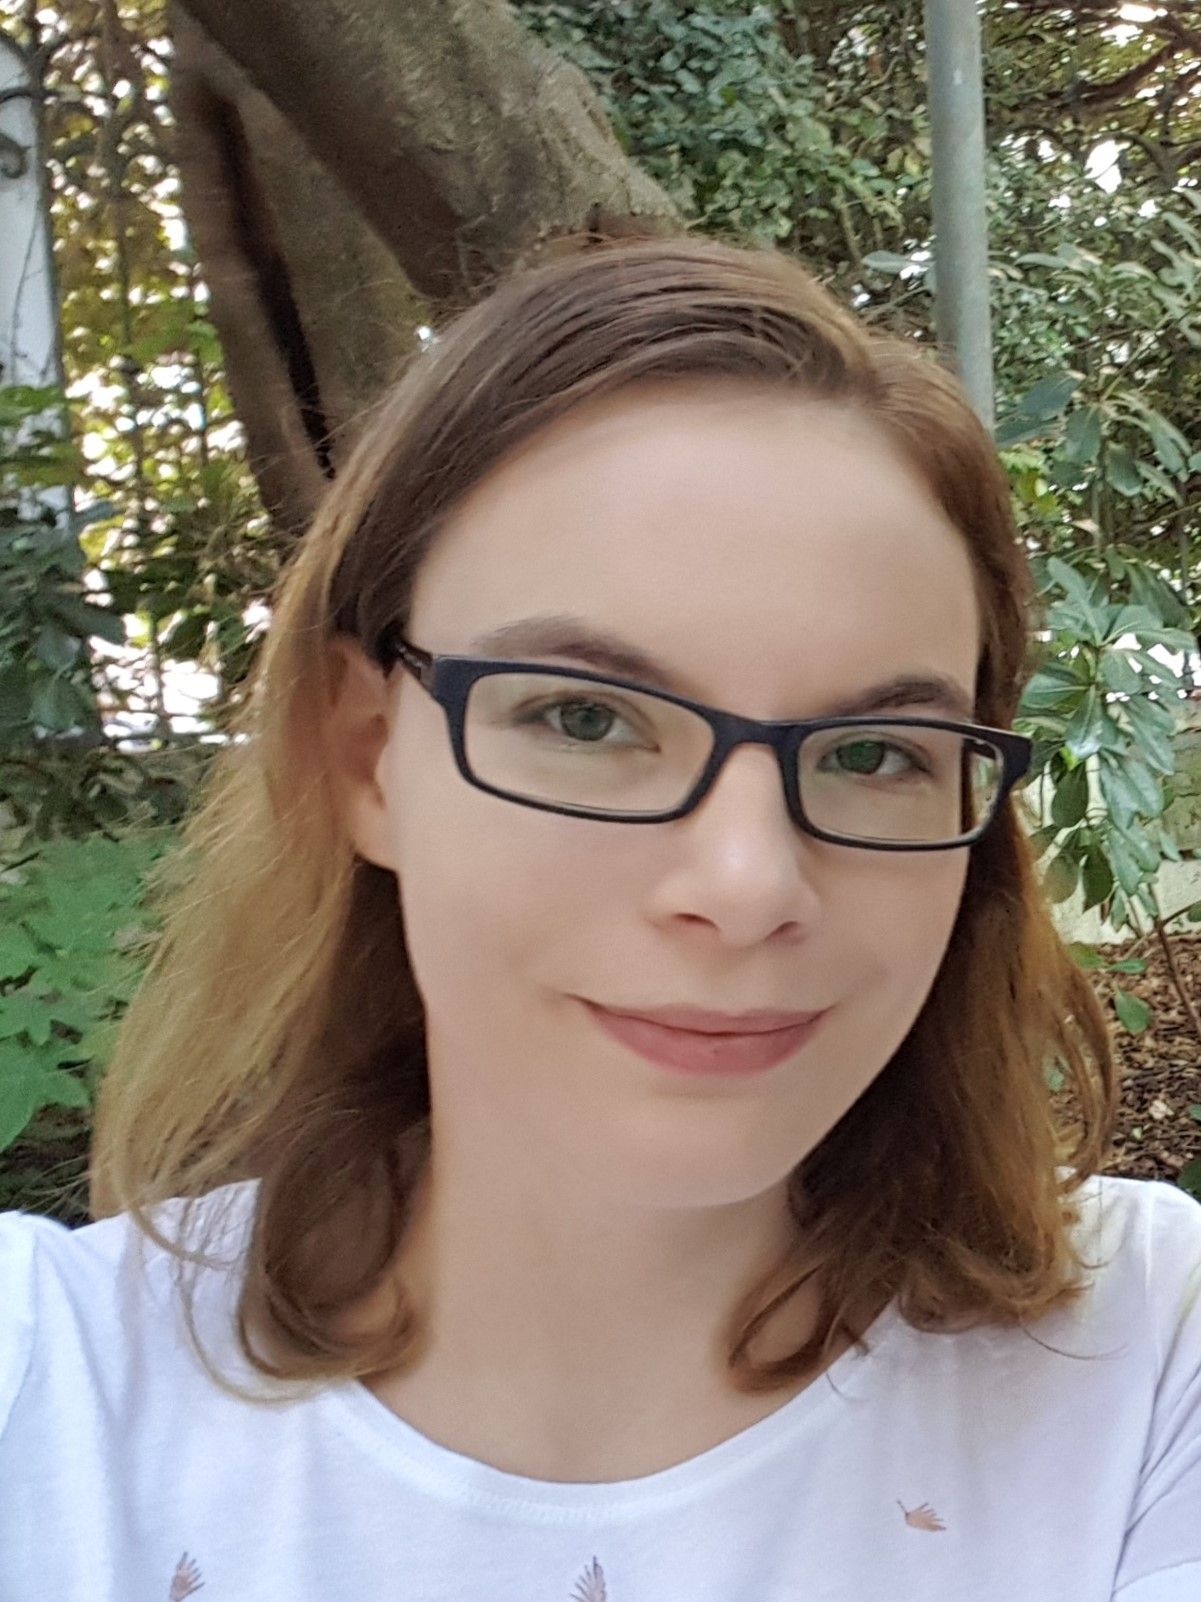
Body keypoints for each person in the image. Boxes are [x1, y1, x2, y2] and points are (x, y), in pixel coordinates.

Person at [1, 233, 1198, 1602]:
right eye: (584, 718)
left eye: (874, 752)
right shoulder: (44, 1394)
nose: (747, 885)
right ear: (365, 756)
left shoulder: (1143, 1362)